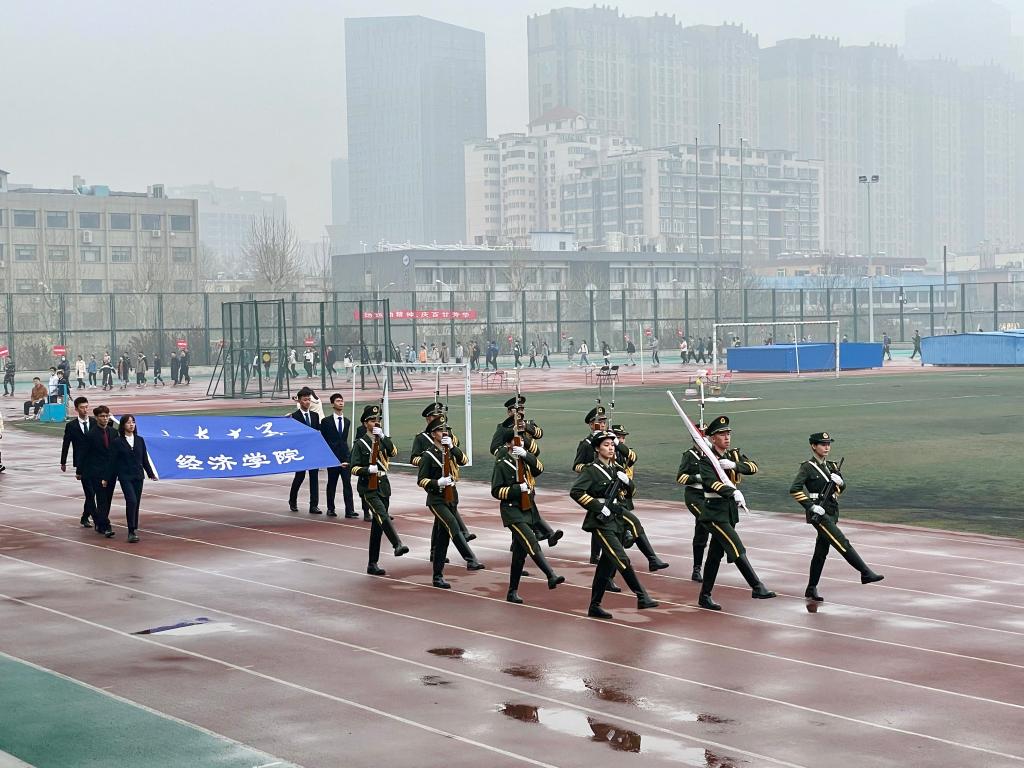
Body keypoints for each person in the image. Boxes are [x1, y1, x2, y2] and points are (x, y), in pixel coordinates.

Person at [571, 431, 659, 619]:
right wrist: (597, 505)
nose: (610, 448)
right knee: (621, 559)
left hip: (616, 519)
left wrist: (627, 482)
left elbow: (631, 493)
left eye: (612, 445)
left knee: (606, 566)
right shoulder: (591, 470)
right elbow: (576, 492)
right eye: (606, 445)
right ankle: (642, 596)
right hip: (600, 522)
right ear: (597, 448)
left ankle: (594, 606)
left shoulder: (616, 467)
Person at [790, 432, 884, 601]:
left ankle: (811, 588)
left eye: (828, 444)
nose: (826, 447)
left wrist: (840, 483)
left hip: (832, 512)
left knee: (821, 552)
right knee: (842, 542)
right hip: (818, 514)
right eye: (822, 444)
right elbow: (795, 489)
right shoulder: (807, 467)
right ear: (813, 446)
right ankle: (865, 572)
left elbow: (840, 488)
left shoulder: (832, 466)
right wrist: (811, 507)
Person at [696, 416, 775, 610]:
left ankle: (704, 596)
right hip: (714, 513)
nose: (727, 437)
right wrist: (731, 491)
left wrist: (734, 465)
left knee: (715, 556)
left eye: (728, 434)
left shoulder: (734, 455)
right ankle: (757, 586)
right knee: (736, 547)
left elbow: (753, 467)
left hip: (729, 513)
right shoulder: (707, 461)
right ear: (712, 438)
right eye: (722, 434)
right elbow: (710, 483)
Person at [491, 427, 564, 604]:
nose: (521, 443)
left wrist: (526, 454)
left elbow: (539, 469)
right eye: (517, 441)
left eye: (522, 440)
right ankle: (550, 575)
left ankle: (512, 592)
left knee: (519, 555)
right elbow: (496, 491)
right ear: (508, 444)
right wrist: (517, 489)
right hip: (512, 511)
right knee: (531, 541)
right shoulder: (502, 463)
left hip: (528, 509)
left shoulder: (524, 459)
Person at [417, 414, 485, 588]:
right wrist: (437, 482)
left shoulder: (450, 451)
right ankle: (470, 559)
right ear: (433, 434)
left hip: (451, 498)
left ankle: (437, 577)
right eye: (440, 430)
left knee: (442, 539)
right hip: (436, 500)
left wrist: (453, 447)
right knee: (453, 526)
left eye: (445, 430)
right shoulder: (428, 455)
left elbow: (464, 460)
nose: (443, 433)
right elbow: (421, 480)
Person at [489, 396, 562, 548]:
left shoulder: (527, 425)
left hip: (528, 469)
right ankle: (544, 534)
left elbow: (537, 445)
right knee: (526, 509)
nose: (521, 412)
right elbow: (494, 449)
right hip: (511, 471)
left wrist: (524, 433)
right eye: (517, 410)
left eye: (522, 409)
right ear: (510, 412)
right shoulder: (502, 428)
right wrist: (508, 452)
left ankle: (529, 539)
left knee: (528, 507)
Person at [351, 404, 408, 575]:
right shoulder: (360, 444)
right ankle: (397, 544)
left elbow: (393, 452)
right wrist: (367, 470)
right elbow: (353, 468)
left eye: (378, 420)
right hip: (368, 487)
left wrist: (383, 437)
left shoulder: (382, 439)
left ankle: (372, 563)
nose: (376, 423)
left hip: (383, 485)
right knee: (382, 515)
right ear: (364, 423)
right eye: (372, 420)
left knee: (377, 527)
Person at [413, 402, 476, 553]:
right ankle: (464, 541)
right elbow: (414, 458)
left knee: (440, 521)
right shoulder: (421, 438)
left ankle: (435, 552)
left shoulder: (448, 435)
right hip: (435, 479)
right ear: (429, 419)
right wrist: (429, 461)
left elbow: (460, 455)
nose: (440, 417)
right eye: (436, 416)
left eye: (441, 415)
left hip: (450, 480)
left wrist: (451, 444)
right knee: (445, 517)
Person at [114, 414, 157, 543]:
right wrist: (107, 477)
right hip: (125, 476)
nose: (131, 424)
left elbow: (144, 459)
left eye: (133, 422)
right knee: (131, 500)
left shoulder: (140, 440)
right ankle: (131, 530)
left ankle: (134, 527)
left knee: (136, 502)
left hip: (138, 476)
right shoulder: (117, 442)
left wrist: (150, 473)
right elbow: (112, 461)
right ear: (123, 425)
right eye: (128, 423)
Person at [676, 437, 710, 582]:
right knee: (706, 520)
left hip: (710, 495)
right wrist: (696, 477)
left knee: (702, 530)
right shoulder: (689, 455)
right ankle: (697, 568)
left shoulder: (711, 454)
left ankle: (697, 569)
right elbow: (680, 477)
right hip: (694, 496)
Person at [81, 405, 118, 538]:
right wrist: (81, 471)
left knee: (107, 500)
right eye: (102, 416)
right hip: (96, 472)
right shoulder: (90, 435)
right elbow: (84, 454)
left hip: (111, 472)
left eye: (107, 416)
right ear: (96, 418)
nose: (105, 418)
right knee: (101, 499)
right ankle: (106, 526)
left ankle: (100, 523)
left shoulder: (113, 432)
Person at [60, 396, 97, 528]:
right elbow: (66, 444)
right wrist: (63, 462)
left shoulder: (94, 422)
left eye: (87, 407)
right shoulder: (71, 426)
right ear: (76, 409)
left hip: (96, 463)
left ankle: (85, 516)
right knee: (90, 493)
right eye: (82, 407)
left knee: (94, 493)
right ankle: (98, 520)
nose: (85, 410)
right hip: (82, 464)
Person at [320, 393, 355, 518]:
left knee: (347, 483)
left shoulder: (347, 421)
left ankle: (349, 510)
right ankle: (330, 508)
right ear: (332, 404)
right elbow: (323, 439)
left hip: (345, 456)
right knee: (332, 483)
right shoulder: (326, 421)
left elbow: (344, 440)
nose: (341, 403)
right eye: (338, 401)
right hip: (332, 457)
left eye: (342, 400)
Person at [288, 387, 322, 514]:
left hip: (312, 452)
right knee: (300, 476)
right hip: (300, 452)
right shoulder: (294, 417)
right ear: (299, 401)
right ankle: (293, 500)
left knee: (314, 478)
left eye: (309, 399)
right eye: (305, 400)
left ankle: (314, 505)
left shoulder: (315, 416)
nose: (307, 402)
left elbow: (318, 433)